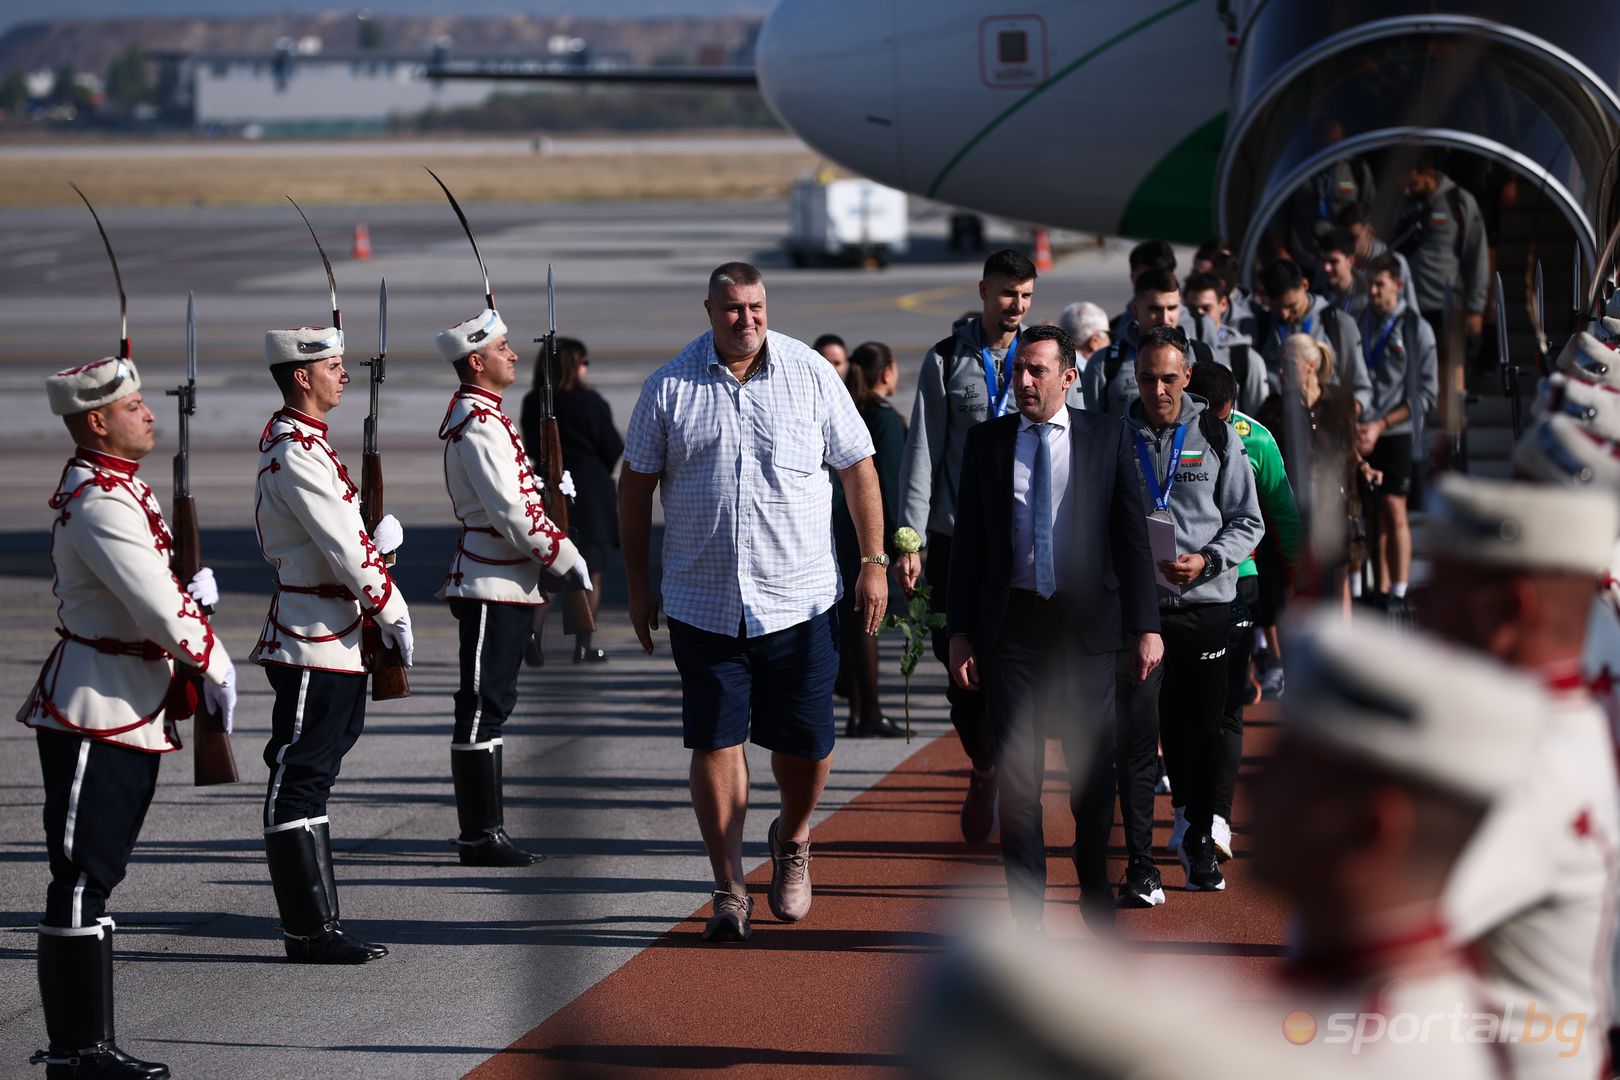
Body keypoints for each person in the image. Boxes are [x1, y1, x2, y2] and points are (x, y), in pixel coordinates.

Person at [620, 261, 888, 943]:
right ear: (709, 310)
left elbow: (858, 465)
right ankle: (728, 886)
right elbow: (635, 485)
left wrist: (874, 561)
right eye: (734, 309)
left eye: (758, 307)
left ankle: (793, 838)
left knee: (808, 745)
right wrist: (637, 582)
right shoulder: (670, 387)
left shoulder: (809, 373)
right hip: (703, 602)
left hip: (799, 599)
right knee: (716, 741)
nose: (748, 320)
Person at [21, 358, 236, 1080]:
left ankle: (92, 1044)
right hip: (96, 707)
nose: (148, 414)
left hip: (127, 702)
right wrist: (210, 653)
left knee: (97, 877)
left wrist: (188, 596)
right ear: (96, 421)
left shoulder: (118, 490)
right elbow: (149, 602)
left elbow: (152, 589)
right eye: (134, 405)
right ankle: (77, 1051)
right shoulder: (101, 501)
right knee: (81, 878)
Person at [1254, 613, 1547, 1078]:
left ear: (1370, 829)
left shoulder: (1361, 1057)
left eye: (1288, 769)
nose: (1254, 786)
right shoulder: (1396, 1006)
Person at [945, 325, 1161, 932]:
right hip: (1011, 629)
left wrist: (1147, 625)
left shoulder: (1106, 437)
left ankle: (1094, 890)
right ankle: (1027, 921)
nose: (1024, 381)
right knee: (1020, 779)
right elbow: (968, 547)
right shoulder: (987, 443)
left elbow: (1132, 539)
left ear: (1069, 377)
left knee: (1091, 776)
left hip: (1087, 631)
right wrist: (960, 631)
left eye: (1038, 371)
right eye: (1018, 370)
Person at [1414, 475, 1620, 1080]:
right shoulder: (1551, 726)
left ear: (1506, 610)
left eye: (1442, 589)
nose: (1422, 605)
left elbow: (1382, 916)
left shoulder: (1525, 765)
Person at [253, 320, 411, 964]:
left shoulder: (309, 444)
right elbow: (342, 550)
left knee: (317, 776)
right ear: (302, 376)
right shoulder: (296, 448)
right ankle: (306, 929)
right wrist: (391, 605)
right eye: (333, 366)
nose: (344, 375)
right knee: (299, 775)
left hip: (336, 636)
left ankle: (319, 925)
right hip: (312, 638)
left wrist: (377, 549)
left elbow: (346, 540)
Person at [436, 307, 592, 867]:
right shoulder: (479, 423)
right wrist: (565, 556)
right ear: (476, 361)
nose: (514, 355)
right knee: (482, 705)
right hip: (490, 581)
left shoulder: (487, 416)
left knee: (493, 703)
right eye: (502, 348)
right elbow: (510, 512)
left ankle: (487, 829)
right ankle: (479, 834)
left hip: (505, 580)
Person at [1115, 325, 1264, 906]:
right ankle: (1140, 863)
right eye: (1147, 378)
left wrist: (1206, 560)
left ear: (1187, 376)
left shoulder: (1217, 435)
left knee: (1199, 738)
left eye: (1169, 378)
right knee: (1135, 738)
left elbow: (1248, 521)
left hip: (1206, 608)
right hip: (1139, 614)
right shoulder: (1114, 438)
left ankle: (1199, 839)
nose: (1157, 390)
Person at [894, 249, 1037, 843]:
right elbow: (922, 449)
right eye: (1007, 294)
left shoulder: (1044, 358)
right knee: (962, 675)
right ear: (983, 292)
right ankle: (985, 766)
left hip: (1027, 541)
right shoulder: (948, 359)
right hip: (957, 542)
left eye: (1026, 296)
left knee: (1020, 670)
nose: (1017, 307)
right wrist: (909, 539)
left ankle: (1017, 789)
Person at [1182, 360, 1301, 861]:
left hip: (1237, 584)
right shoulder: (1167, 433)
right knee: (1178, 708)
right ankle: (1187, 810)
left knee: (1228, 707)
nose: (1222, 428)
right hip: (1171, 591)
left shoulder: (1257, 440)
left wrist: (1303, 575)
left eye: (1228, 417)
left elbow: (1283, 512)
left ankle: (1217, 820)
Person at [519, 337, 624, 665]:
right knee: (590, 573)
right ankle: (582, 643)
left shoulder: (533, 401)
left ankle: (533, 634)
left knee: (550, 570)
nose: (586, 368)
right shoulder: (590, 402)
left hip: (550, 489)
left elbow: (534, 449)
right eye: (583, 361)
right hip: (590, 492)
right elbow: (612, 446)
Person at [1258, 334, 1366, 614]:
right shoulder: (1273, 410)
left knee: (1338, 580)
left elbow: (1350, 450)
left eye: (1289, 363)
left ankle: (1341, 649)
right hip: (1293, 511)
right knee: (1294, 583)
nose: (1281, 370)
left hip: (1334, 507)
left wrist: (1363, 469)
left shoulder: (1340, 401)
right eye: (1279, 363)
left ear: (1311, 365)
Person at [1355, 253, 1438, 614]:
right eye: (1369, 285)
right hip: (1361, 429)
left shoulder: (1415, 328)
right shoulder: (1359, 323)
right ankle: (1382, 587)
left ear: (1398, 286)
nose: (1373, 292)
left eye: (1380, 285)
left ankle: (1401, 591)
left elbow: (1426, 395)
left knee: (1394, 507)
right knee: (1371, 512)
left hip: (1396, 430)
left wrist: (1381, 424)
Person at [834, 341, 907, 738]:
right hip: (870, 534)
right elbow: (890, 486)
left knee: (853, 620)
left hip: (843, 528)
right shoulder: (883, 419)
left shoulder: (852, 412)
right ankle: (869, 713)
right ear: (886, 372)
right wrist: (901, 545)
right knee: (867, 622)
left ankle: (858, 711)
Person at [1083, 268, 1217, 417]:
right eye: (1155, 309)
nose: (1165, 318)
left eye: (1172, 308)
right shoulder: (1103, 363)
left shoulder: (1203, 354)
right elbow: (1091, 428)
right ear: (1135, 308)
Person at [1395, 151, 1489, 359]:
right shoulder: (1402, 204)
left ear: (1427, 173)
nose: (1406, 189)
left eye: (1412, 183)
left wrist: (1476, 308)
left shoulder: (1459, 201)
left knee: (1450, 369)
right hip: (1409, 305)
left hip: (1448, 306)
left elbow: (1477, 255)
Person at [1253, 258, 1372, 411]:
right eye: (1277, 308)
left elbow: (1361, 388)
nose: (1284, 314)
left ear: (1305, 285)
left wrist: (1344, 417)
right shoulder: (1261, 326)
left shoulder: (1337, 323)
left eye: (1291, 306)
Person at [1183, 269, 1267, 414]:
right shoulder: (1177, 352)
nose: (1199, 314)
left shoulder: (1245, 358)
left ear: (1223, 304)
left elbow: (1257, 417)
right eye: (1192, 309)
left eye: (1206, 308)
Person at [1055, 300, 1109, 387]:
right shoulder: (1088, 376)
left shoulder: (1056, 368)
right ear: (1095, 341)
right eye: (1108, 334)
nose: (1110, 341)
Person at [1314, 227, 1364, 317]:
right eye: (1323, 260)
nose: (1326, 268)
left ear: (1350, 261)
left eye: (1333, 262)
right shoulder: (1317, 284)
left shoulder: (1368, 293)